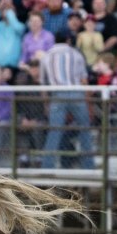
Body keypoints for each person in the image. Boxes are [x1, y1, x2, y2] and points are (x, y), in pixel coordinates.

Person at [40, 30, 94, 169]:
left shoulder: (46, 56)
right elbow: (83, 79)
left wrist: (46, 103)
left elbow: (43, 83)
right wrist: (87, 101)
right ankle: (88, 166)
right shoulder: (76, 54)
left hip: (57, 94)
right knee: (85, 129)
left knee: (54, 131)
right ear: (68, 40)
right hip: (76, 93)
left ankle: (47, 166)